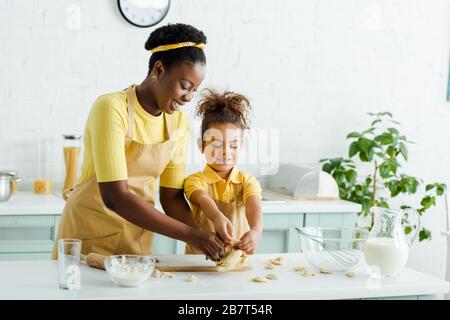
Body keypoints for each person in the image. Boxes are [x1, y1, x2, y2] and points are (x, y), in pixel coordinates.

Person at [52, 23, 225, 261]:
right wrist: (191, 235)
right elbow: (115, 196)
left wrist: (206, 236)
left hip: (136, 237)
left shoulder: (178, 123)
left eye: (194, 90)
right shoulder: (112, 108)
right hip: (87, 235)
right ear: (158, 69)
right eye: (184, 86)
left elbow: (171, 197)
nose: (188, 98)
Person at [184, 89, 263, 255]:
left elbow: (253, 204)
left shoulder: (248, 181)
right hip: (198, 263)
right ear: (201, 145)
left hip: (236, 264)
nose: (226, 152)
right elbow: (203, 199)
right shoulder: (195, 180)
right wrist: (217, 217)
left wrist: (256, 231)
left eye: (233, 145)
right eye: (217, 144)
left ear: (241, 146)